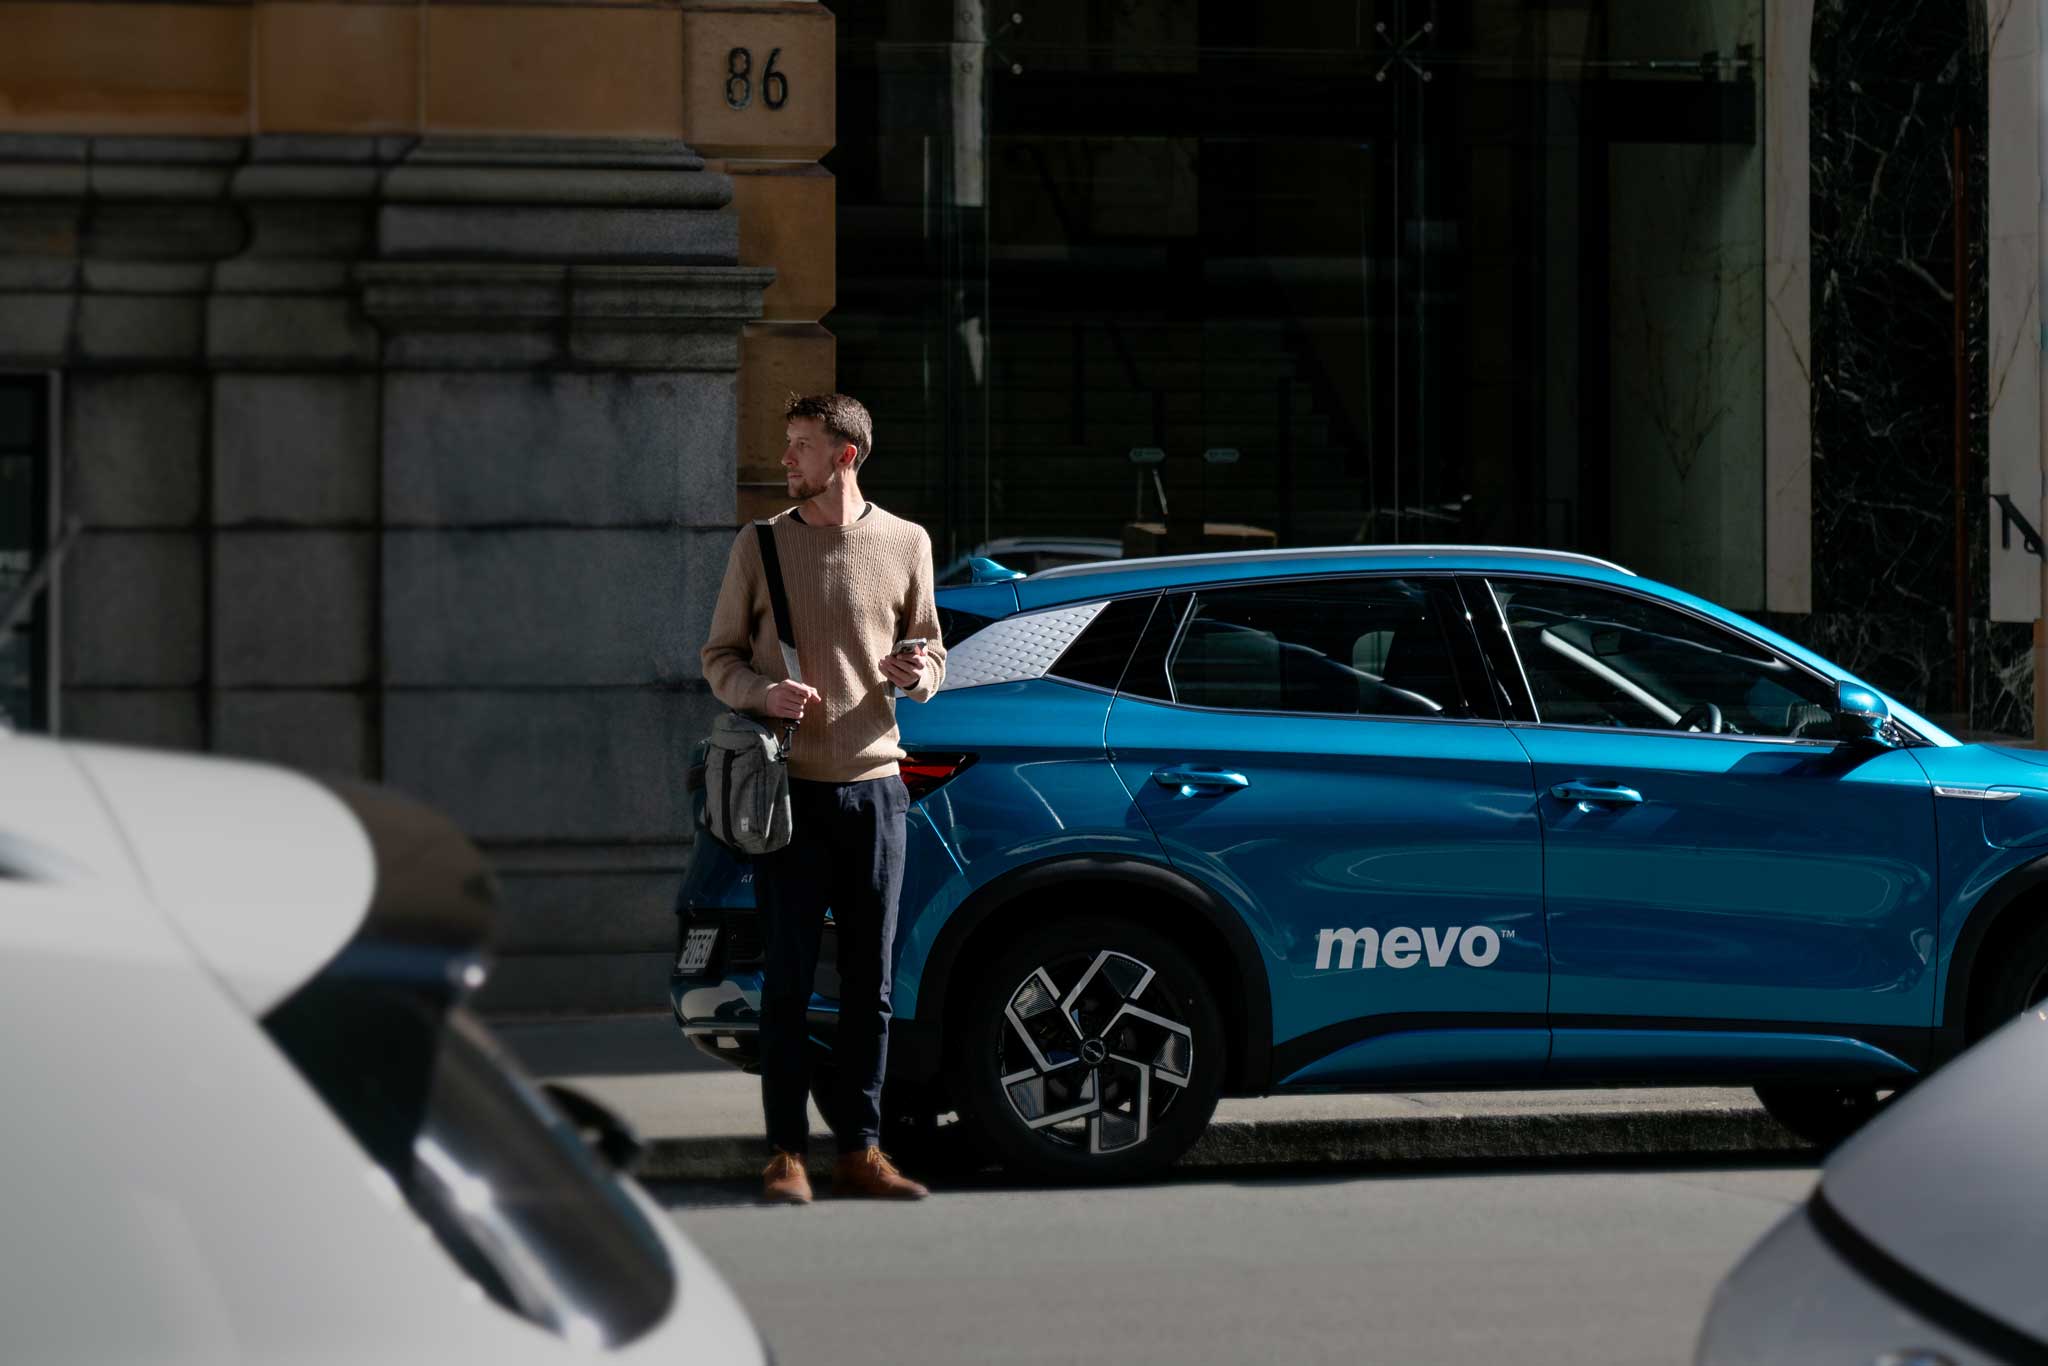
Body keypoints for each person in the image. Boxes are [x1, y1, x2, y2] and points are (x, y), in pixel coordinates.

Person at [700, 392, 947, 1204]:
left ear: (846, 455)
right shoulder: (761, 544)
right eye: (788, 444)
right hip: (789, 795)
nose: (787, 460)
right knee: (790, 980)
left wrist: (920, 676)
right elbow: (718, 657)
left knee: (872, 982)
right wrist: (762, 695)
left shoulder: (907, 541)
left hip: (878, 792)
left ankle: (862, 1150)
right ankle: (784, 1154)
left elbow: (932, 653)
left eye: (801, 445)